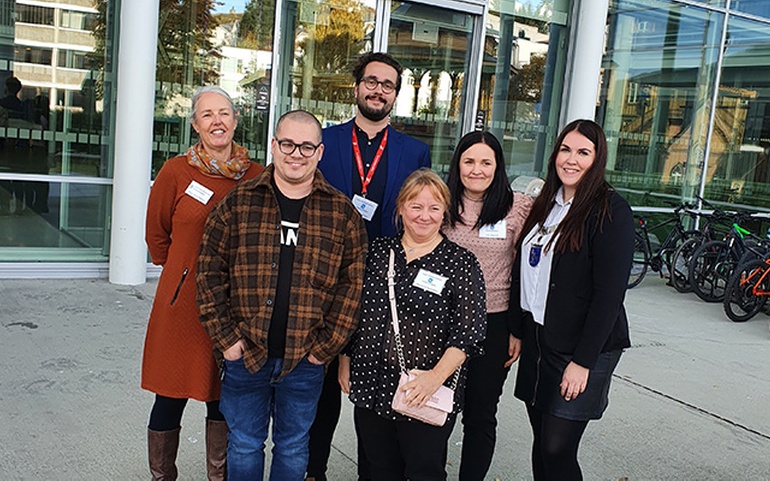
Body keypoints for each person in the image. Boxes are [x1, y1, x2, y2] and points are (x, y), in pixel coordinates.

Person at [196, 109, 368, 481]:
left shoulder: (342, 214)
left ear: (320, 153)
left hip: (305, 361)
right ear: (274, 146)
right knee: (243, 443)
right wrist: (227, 340)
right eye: (288, 143)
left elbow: (352, 289)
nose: (296, 153)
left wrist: (323, 350)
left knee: (292, 446)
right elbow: (209, 273)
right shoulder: (239, 204)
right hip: (245, 354)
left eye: (307, 146)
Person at [308, 51, 431, 481]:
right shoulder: (325, 142)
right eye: (371, 81)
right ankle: (313, 470)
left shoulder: (415, 152)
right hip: (326, 281)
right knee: (320, 387)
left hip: (386, 287)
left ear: (396, 94)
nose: (379, 90)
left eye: (388, 85)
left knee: (376, 387)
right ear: (356, 86)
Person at [141, 85, 263, 480]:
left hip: (234, 306)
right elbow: (157, 234)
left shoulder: (257, 176)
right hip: (183, 305)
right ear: (195, 124)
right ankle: (162, 476)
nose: (217, 121)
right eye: (207, 114)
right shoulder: (176, 171)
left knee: (223, 399)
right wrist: (180, 271)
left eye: (224, 113)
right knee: (169, 395)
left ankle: (219, 476)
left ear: (236, 120)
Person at [508, 119, 634, 480]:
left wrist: (583, 362)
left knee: (557, 447)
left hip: (582, 346)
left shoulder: (610, 210)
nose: (571, 159)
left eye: (583, 152)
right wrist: (517, 329)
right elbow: (525, 271)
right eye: (566, 149)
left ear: (597, 159)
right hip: (539, 338)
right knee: (541, 441)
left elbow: (609, 296)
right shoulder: (546, 200)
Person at [344, 168, 486, 480]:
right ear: (400, 208)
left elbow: (469, 333)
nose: (424, 216)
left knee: (424, 471)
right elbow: (355, 313)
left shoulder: (461, 263)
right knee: (375, 470)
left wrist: (434, 379)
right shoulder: (377, 252)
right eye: (416, 206)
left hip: (424, 390)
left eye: (434, 208)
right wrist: (345, 361)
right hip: (371, 385)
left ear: (445, 212)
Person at [443, 131, 533, 480]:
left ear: (498, 167)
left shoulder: (517, 208)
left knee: (480, 415)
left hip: (493, 325)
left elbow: (526, 269)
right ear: (458, 164)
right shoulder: (441, 202)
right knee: (439, 409)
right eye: (469, 161)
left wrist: (517, 328)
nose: (476, 170)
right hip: (445, 323)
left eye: (485, 162)